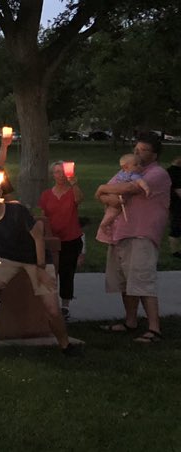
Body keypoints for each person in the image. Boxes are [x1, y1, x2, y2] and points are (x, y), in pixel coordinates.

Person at [0, 176, 79, 359]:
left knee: (51, 307)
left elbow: (38, 237)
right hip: (7, 259)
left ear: (0, 193)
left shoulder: (16, 211)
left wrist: (41, 269)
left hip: (35, 259)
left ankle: (65, 345)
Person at [95, 133, 170, 343]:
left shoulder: (157, 174)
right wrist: (105, 192)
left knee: (143, 281)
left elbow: (129, 189)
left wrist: (104, 189)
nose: (136, 153)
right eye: (136, 149)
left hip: (142, 233)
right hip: (121, 232)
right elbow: (103, 196)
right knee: (126, 282)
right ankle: (131, 322)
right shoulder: (125, 170)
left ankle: (154, 328)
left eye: (142, 150)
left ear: (154, 154)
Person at [39, 161, 84, 319]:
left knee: (67, 272)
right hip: (53, 238)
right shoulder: (46, 194)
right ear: (53, 175)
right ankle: (49, 304)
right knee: (51, 272)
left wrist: (74, 184)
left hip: (70, 237)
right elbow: (43, 215)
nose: (61, 175)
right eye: (57, 172)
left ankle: (65, 306)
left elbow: (79, 199)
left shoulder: (72, 192)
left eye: (63, 172)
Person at [96, 154, 152, 242]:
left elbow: (139, 183)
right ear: (125, 167)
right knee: (114, 210)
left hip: (114, 193)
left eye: (140, 164)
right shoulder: (133, 175)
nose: (139, 167)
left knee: (111, 210)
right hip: (118, 194)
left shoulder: (124, 174)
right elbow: (141, 182)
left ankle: (105, 223)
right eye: (136, 165)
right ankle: (105, 224)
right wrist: (147, 188)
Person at [169, 156, 181, 259]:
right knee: (176, 226)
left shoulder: (169, 171)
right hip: (177, 204)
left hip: (173, 203)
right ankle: (175, 252)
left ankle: (175, 251)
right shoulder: (175, 173)